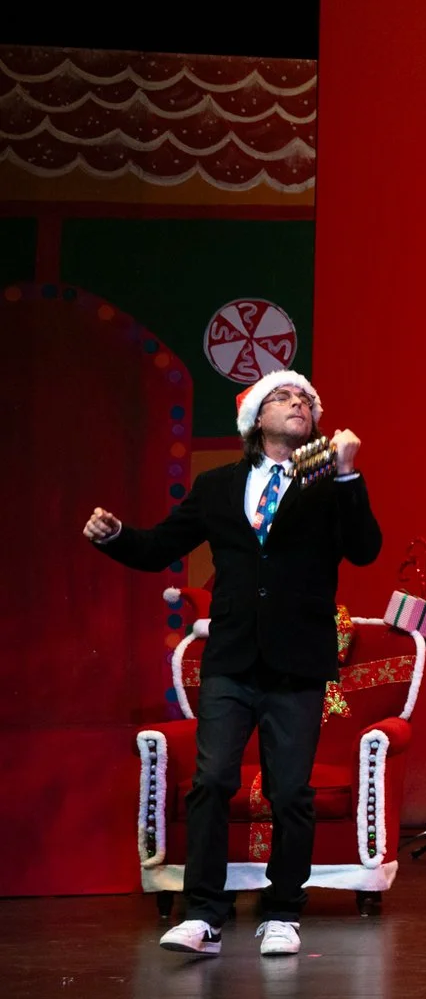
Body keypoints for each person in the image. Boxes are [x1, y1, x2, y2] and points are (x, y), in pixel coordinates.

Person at [84, 371, 380, 958]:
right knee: (212, 780)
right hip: (231, 658)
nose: (298, 403)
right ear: (255, 419)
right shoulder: (218, 485)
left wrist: (348, 474)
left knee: (289, 791)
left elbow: (365, 549)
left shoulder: (325, 481)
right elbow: (158, 547)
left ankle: (283, 911)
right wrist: (114, 536)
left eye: (306, 400)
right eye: (284, 397)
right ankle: (204, 916)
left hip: (297, 659)